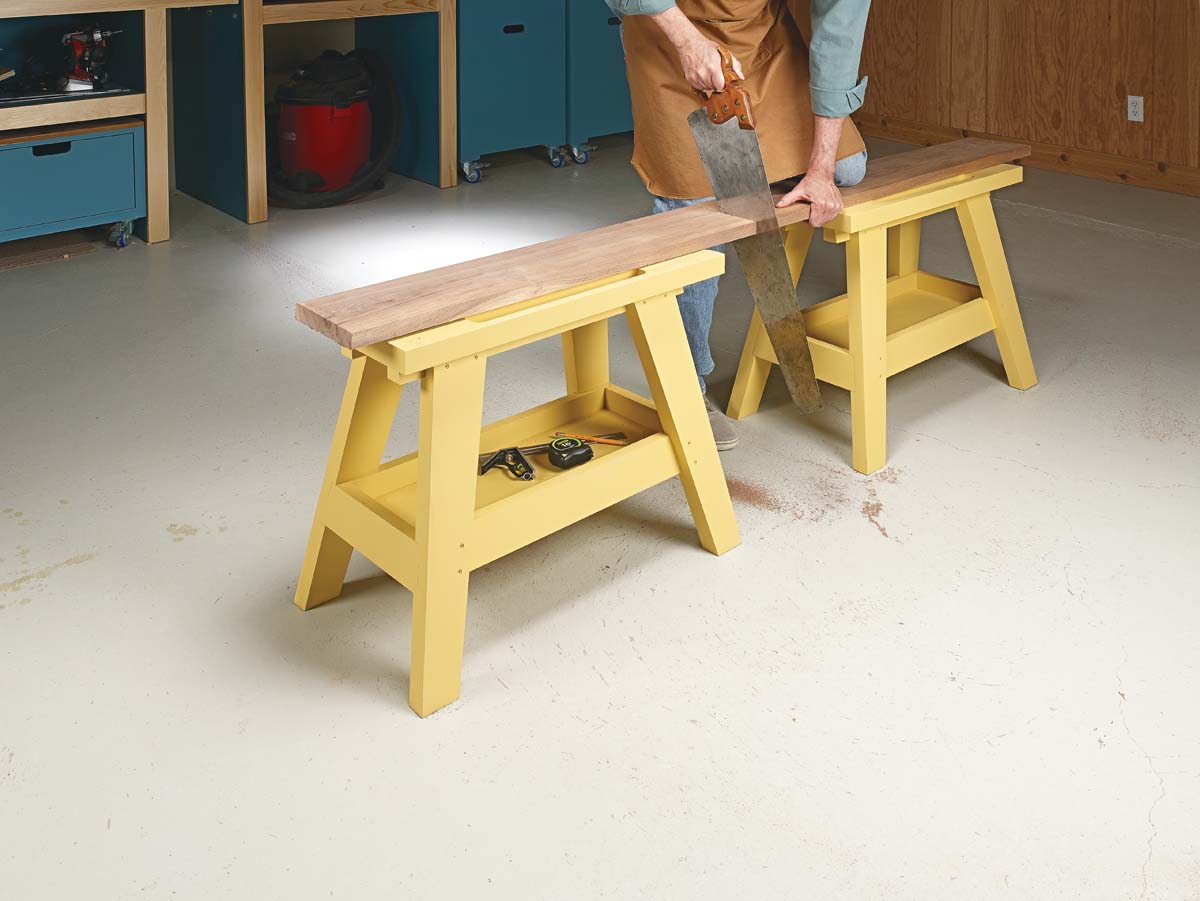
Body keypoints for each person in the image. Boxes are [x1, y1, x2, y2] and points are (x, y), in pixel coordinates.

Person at [608, 0, 873, 450]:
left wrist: (821, 169)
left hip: (759, 39)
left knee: (848, 171)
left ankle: (749, 164)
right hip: (669, 34)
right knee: (692, 209)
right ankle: (686, 387)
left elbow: (840, 30)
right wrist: (688, 41)